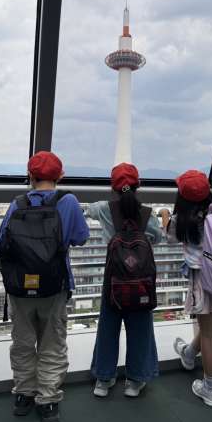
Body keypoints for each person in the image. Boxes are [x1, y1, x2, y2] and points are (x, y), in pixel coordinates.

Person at [0, 151, 89, 422]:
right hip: (54, 285)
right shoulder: (68, 201)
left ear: (31, 176)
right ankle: (47, 400)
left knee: (22, 342)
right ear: (60, 176)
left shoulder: (18, 203)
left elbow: (1, 242)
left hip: (20, 288)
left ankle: (23, 393)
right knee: (52, 342)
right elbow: (81, 238)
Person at [160, 170, 212, 408]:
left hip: (204, 281)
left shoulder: (182, 220)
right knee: (211, 326)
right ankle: (189, 354)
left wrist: (165, 214)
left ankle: (211, 389)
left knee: (209, 334)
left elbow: (169, 237)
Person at [86, 163, 162, 398]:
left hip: (113, 280)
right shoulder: (147, 213)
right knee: (140, 329)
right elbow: (157, 238)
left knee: (108, 327)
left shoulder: (103, 209)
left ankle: (103, 379)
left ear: (113, 187)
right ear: (139, 185)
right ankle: (135, 381)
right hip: (141, 282)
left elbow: (88, 210)